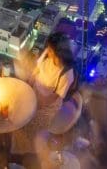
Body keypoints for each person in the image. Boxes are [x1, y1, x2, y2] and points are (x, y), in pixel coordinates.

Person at [12, 32, 78, 166]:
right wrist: (29, 86)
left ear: (60, 54)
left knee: (30, 125)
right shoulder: (47, 54)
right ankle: (17, 150)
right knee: (19, 118)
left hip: (48, 105)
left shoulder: (66, 73)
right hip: (35, 92)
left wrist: (38, 105)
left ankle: (29, 154)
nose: (48, 51)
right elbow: (37, 70)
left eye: (51, 50)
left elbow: (56, 96)